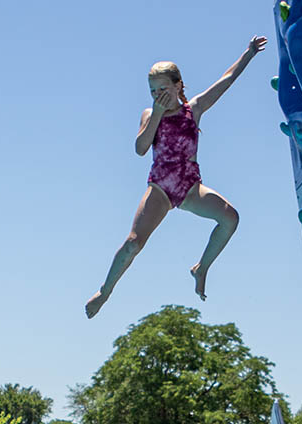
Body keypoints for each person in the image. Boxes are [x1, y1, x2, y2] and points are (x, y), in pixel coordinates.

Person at [85, 36, 269, 318]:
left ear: (178, 85)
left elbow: (227, 80)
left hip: (190, 188)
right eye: (153, 91)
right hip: (160, 187)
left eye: (163, 89)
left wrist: (249, 53)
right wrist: (157, 114)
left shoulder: (193, 110)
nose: (158, 95)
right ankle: (105, 291)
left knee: (230, 218)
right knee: (134, 242)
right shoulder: (150, 113)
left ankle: (201, 267)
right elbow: (140, 148)